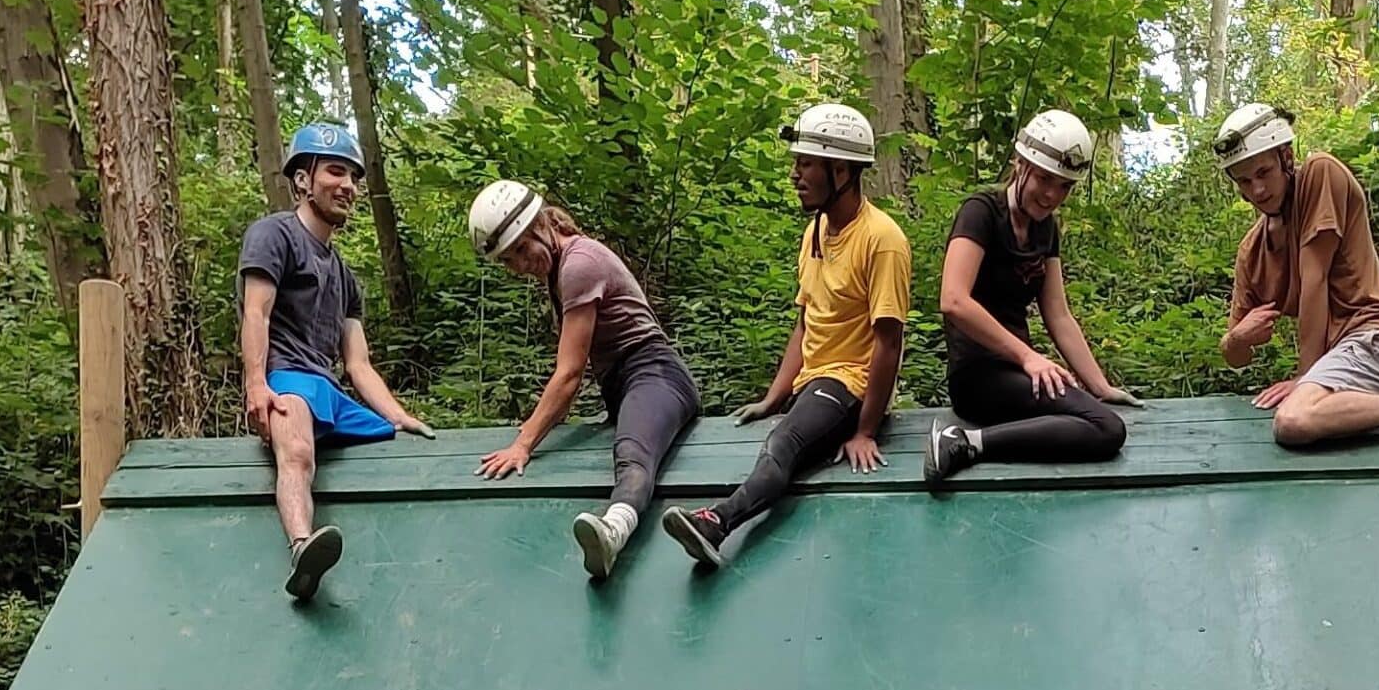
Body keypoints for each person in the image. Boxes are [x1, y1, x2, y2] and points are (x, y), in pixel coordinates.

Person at [663, 107, 910, 571]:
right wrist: (774, 396)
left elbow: (888, 344)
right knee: (783, 433)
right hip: (815, 382)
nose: (795, 175)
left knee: (784, 445)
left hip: (851, 384)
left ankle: (717, 521)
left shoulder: (883, 241)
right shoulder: (815, 230)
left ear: (841, 170)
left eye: (805, 164)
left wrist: (865, 430)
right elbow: (805, 322)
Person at [1213, 103, 1379, 460]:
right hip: (1341, 362)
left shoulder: (1319, 175)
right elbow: (1235, 357)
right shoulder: (1252, 249)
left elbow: (1315, 279)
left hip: (1376, 337)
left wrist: (1303, 379)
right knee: (1298, 418)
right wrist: (1238, 337)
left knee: (1294, 419)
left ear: (1286, 156)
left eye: (1264, 172)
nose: (1258, 190)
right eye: (1245, 181)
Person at [238, 120, 433, 604]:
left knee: (398, 445)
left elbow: (359, 365)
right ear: (303, 179)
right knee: (298, 452)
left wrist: (399, 418)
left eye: (353, 176)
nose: (347, 186)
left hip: (332, 394)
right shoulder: (273, 235)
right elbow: (256, 312)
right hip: (287, 379)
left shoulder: (345, 275)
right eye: (334, 172)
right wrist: (257, 386)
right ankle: (303, 548)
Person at [467, 184, 702, 583]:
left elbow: (569, 375)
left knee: (632, 453)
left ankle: (614, 530)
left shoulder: (579, 264)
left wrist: (523, 443)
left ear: (542, 224)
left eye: (523, 250)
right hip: (623, 383)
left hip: (655, 374)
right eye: (509, 261)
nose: (521, 265)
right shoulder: (561, 265)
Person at [924, 110, 1130, 485]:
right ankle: (963, 443)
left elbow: (1058, 315)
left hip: (1021, 373)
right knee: (1106, 429)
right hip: (978, 376)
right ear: (1021, 165)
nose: (1052, 194)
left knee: (1099, 416)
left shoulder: (1045, 229)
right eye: (1045, 179)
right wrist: (1028, 357)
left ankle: (976, 442)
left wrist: (1099, 386)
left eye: (1064, 185)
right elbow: (953, 300)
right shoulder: (981, 212)